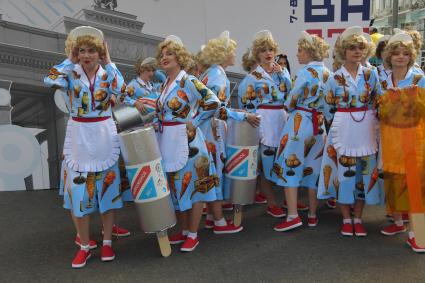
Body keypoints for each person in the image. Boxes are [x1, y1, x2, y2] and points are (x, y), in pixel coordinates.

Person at [44, 26, 126, 268]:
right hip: (79, 135)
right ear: (76, 53)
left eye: (92, 51)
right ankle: (84, 245)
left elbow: (122, 90)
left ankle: (108, 242)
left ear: (100, 53)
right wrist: (68, 60)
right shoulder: (70, 72)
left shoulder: (108, 73)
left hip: (103, 134)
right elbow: (48, 79)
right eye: (82, 51)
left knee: (107, 191)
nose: (87, 55)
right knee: (78, 193)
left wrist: (110, 61)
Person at [155, 35, 221, 252]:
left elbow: (213, 101)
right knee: (177, 186)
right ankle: (183, 231)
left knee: (193, 187)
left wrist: (194, 122)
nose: (165, 58)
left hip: (188, 142)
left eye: (170, 54)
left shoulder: (189, 81)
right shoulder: (165, 83)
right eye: (162, 55)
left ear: (180, 57)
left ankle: (193, 233)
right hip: (168, 140)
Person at [317, 26, 382, 237]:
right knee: (345, 173)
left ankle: (358, 218)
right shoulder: (333, 78)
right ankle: (346, 218)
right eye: (352, 48)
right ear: (343, 50)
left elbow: (379, 99)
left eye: (360, 48)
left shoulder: (371, 74)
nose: (356, 52)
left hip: (366, 128)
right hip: (343, 126)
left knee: (364, 173)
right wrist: (334, 128)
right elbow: (327, 109)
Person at [198, 31, 260, 232]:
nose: (234, 54)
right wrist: (244, 116)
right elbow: (216, 109)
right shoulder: (218, 76)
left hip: (207, 128)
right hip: (212, 129)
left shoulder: (210, 73)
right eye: (231, 51)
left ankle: (210, 216)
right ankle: (219, 221)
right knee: (215, 172)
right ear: (223, 54)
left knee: (212, 170)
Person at [272, 31, 330, 231]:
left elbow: (291, 100)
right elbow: (330, 105)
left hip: (300, 121)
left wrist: (288, 104)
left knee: (291, 166)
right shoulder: (327, 72)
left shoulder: (305, 72)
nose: (297, 54)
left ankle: (293, 216)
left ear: (308, 51)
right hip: (319, 124)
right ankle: (313, 215)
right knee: (313, 168)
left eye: (300, 50)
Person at [378, 31, 425, 253]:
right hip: (390, 138)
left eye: (405, 53)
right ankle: (400, 224)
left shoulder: (419, 78)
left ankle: (420, 235)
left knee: (415, 187)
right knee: (395, 180)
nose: (400, 57)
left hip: (414, 139)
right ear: (389, 56)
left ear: (411, 56)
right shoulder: (382, 79)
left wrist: (403, 100)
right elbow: (378, 109)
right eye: (396, 53)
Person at [239, 30, 292, 218]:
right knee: (266, 163)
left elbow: (290, 96)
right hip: (264, 121)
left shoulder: (282, 72)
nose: (268, 53)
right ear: (257, 54)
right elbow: (245, 103)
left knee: (285, 160)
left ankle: (289, 200)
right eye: (263, 50)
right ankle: (271, 202)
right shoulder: (252, 77)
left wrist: (283, 75)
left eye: (270, 49)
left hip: (282, 118)